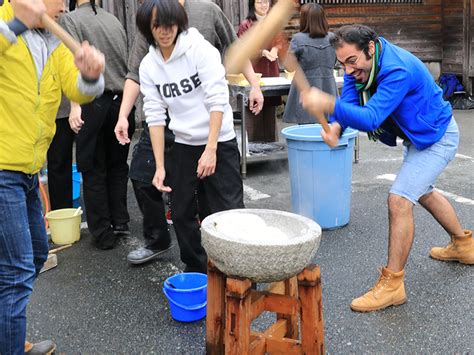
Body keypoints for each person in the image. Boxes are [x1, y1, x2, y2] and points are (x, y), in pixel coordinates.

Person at [300, 24, 473, 312]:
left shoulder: (396, 70)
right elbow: (352, 98)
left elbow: (370, 118)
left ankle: (393, 284)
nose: (348, 70)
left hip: (438, 136)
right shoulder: (361, 65)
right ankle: (463, 245)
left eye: (352, 62)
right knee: (423, 191)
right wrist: (336, 126)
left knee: (400, 200)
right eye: (342, 64)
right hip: (419, 135)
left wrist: (327, 102)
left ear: (370, 48)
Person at [114, 0, 263, 265]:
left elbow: (217, 100)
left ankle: (236, 273)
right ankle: (198, 270)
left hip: (219, 140)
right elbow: (156, 116)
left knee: (228, 212)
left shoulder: (200, 50)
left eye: (170, 24)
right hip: (183, 143)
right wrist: (159, 166)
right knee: (181, 212)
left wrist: (211, 149)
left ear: (180, 22)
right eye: (157, 25)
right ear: (148, 28)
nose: (164, 30)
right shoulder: (149, 65)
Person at [0, 0, 105, 352]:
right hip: (2, 169)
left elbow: (78, 91)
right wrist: (15, 24)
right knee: (15, 272)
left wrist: (91, 75)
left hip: (29, 169)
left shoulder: (54, 39)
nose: (65, 5)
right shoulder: (3, 20)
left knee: (34, 254)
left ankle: (6, 334)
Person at [62, 0, 135, 250]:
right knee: (117, 167)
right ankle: (120, 222)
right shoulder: (114, 22)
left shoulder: (71, 20)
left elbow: (72, 62)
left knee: (93, 169)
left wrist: (74, 106)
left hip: (93, 103)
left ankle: (103, 233)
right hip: (121, 104)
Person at [282, 3, 337, 125]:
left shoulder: (298, 39)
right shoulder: (333, 38)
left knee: (306, 134)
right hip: (328, 88)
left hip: (305, 90)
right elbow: (335, 61)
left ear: (304, 19)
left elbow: (287, 66)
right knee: (328, 131)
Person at [238, 0, 282, 142]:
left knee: (269, 113)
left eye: (266, 2)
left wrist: (275, 49)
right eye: (259, 2)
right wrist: (262, 52)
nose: (263, 5)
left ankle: (271, 151)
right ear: (253, 4)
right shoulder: (246, 25)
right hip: (253, 72)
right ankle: (252, 151)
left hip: (271, 71)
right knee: (253, 111)